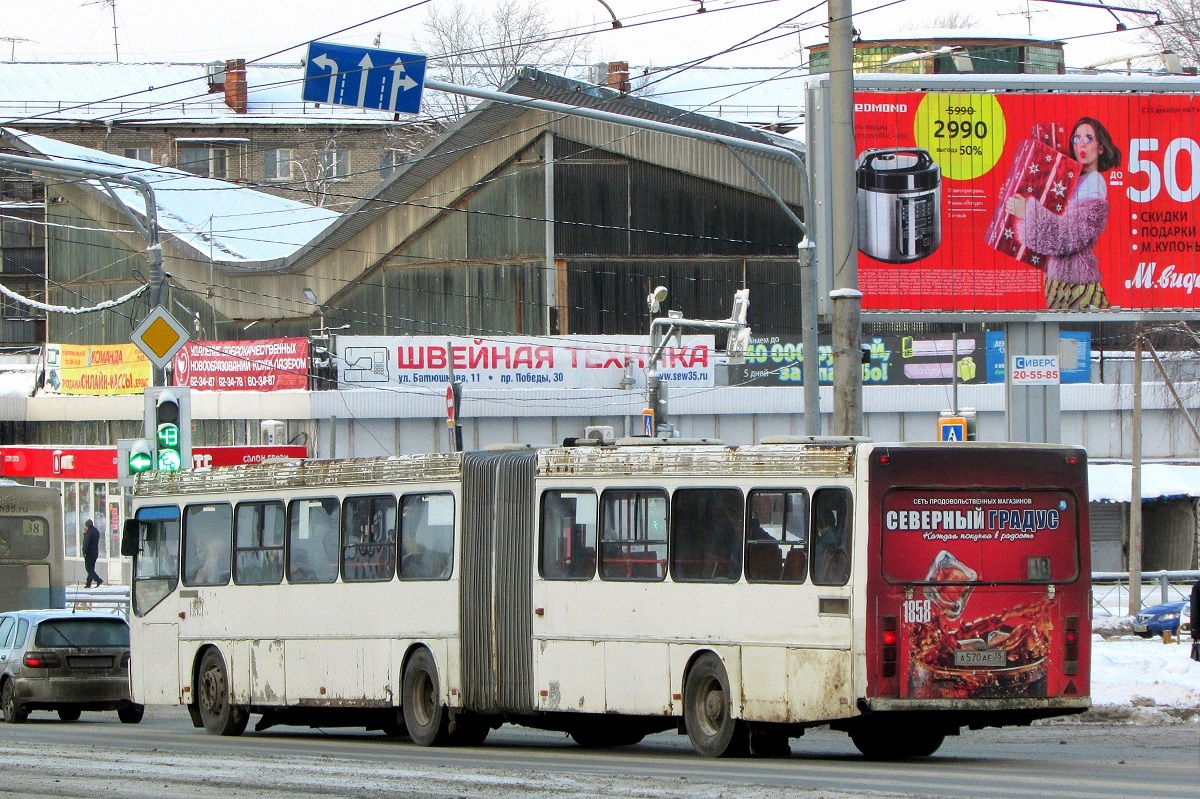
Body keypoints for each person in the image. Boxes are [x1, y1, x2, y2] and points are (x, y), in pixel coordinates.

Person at [1005, 117, 1122, 310]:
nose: (1081, 144)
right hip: (1059, 280)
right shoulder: (1071, 180)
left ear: (1101, 148)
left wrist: (1027, 211)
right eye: (1076, 139)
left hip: (1077, 285)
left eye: (1089, 138)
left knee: (1076, 336)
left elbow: (1067, 236)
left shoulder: (1095, 181)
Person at [82, 519, 103, 588]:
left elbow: (86, 543)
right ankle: (88, 583)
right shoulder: (96, 531)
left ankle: (98, 580)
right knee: (91, 569)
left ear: (87, 525)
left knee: (89, 569)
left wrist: (84, 552)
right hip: (95, 553)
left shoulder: (88, 533)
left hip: (89, 553)